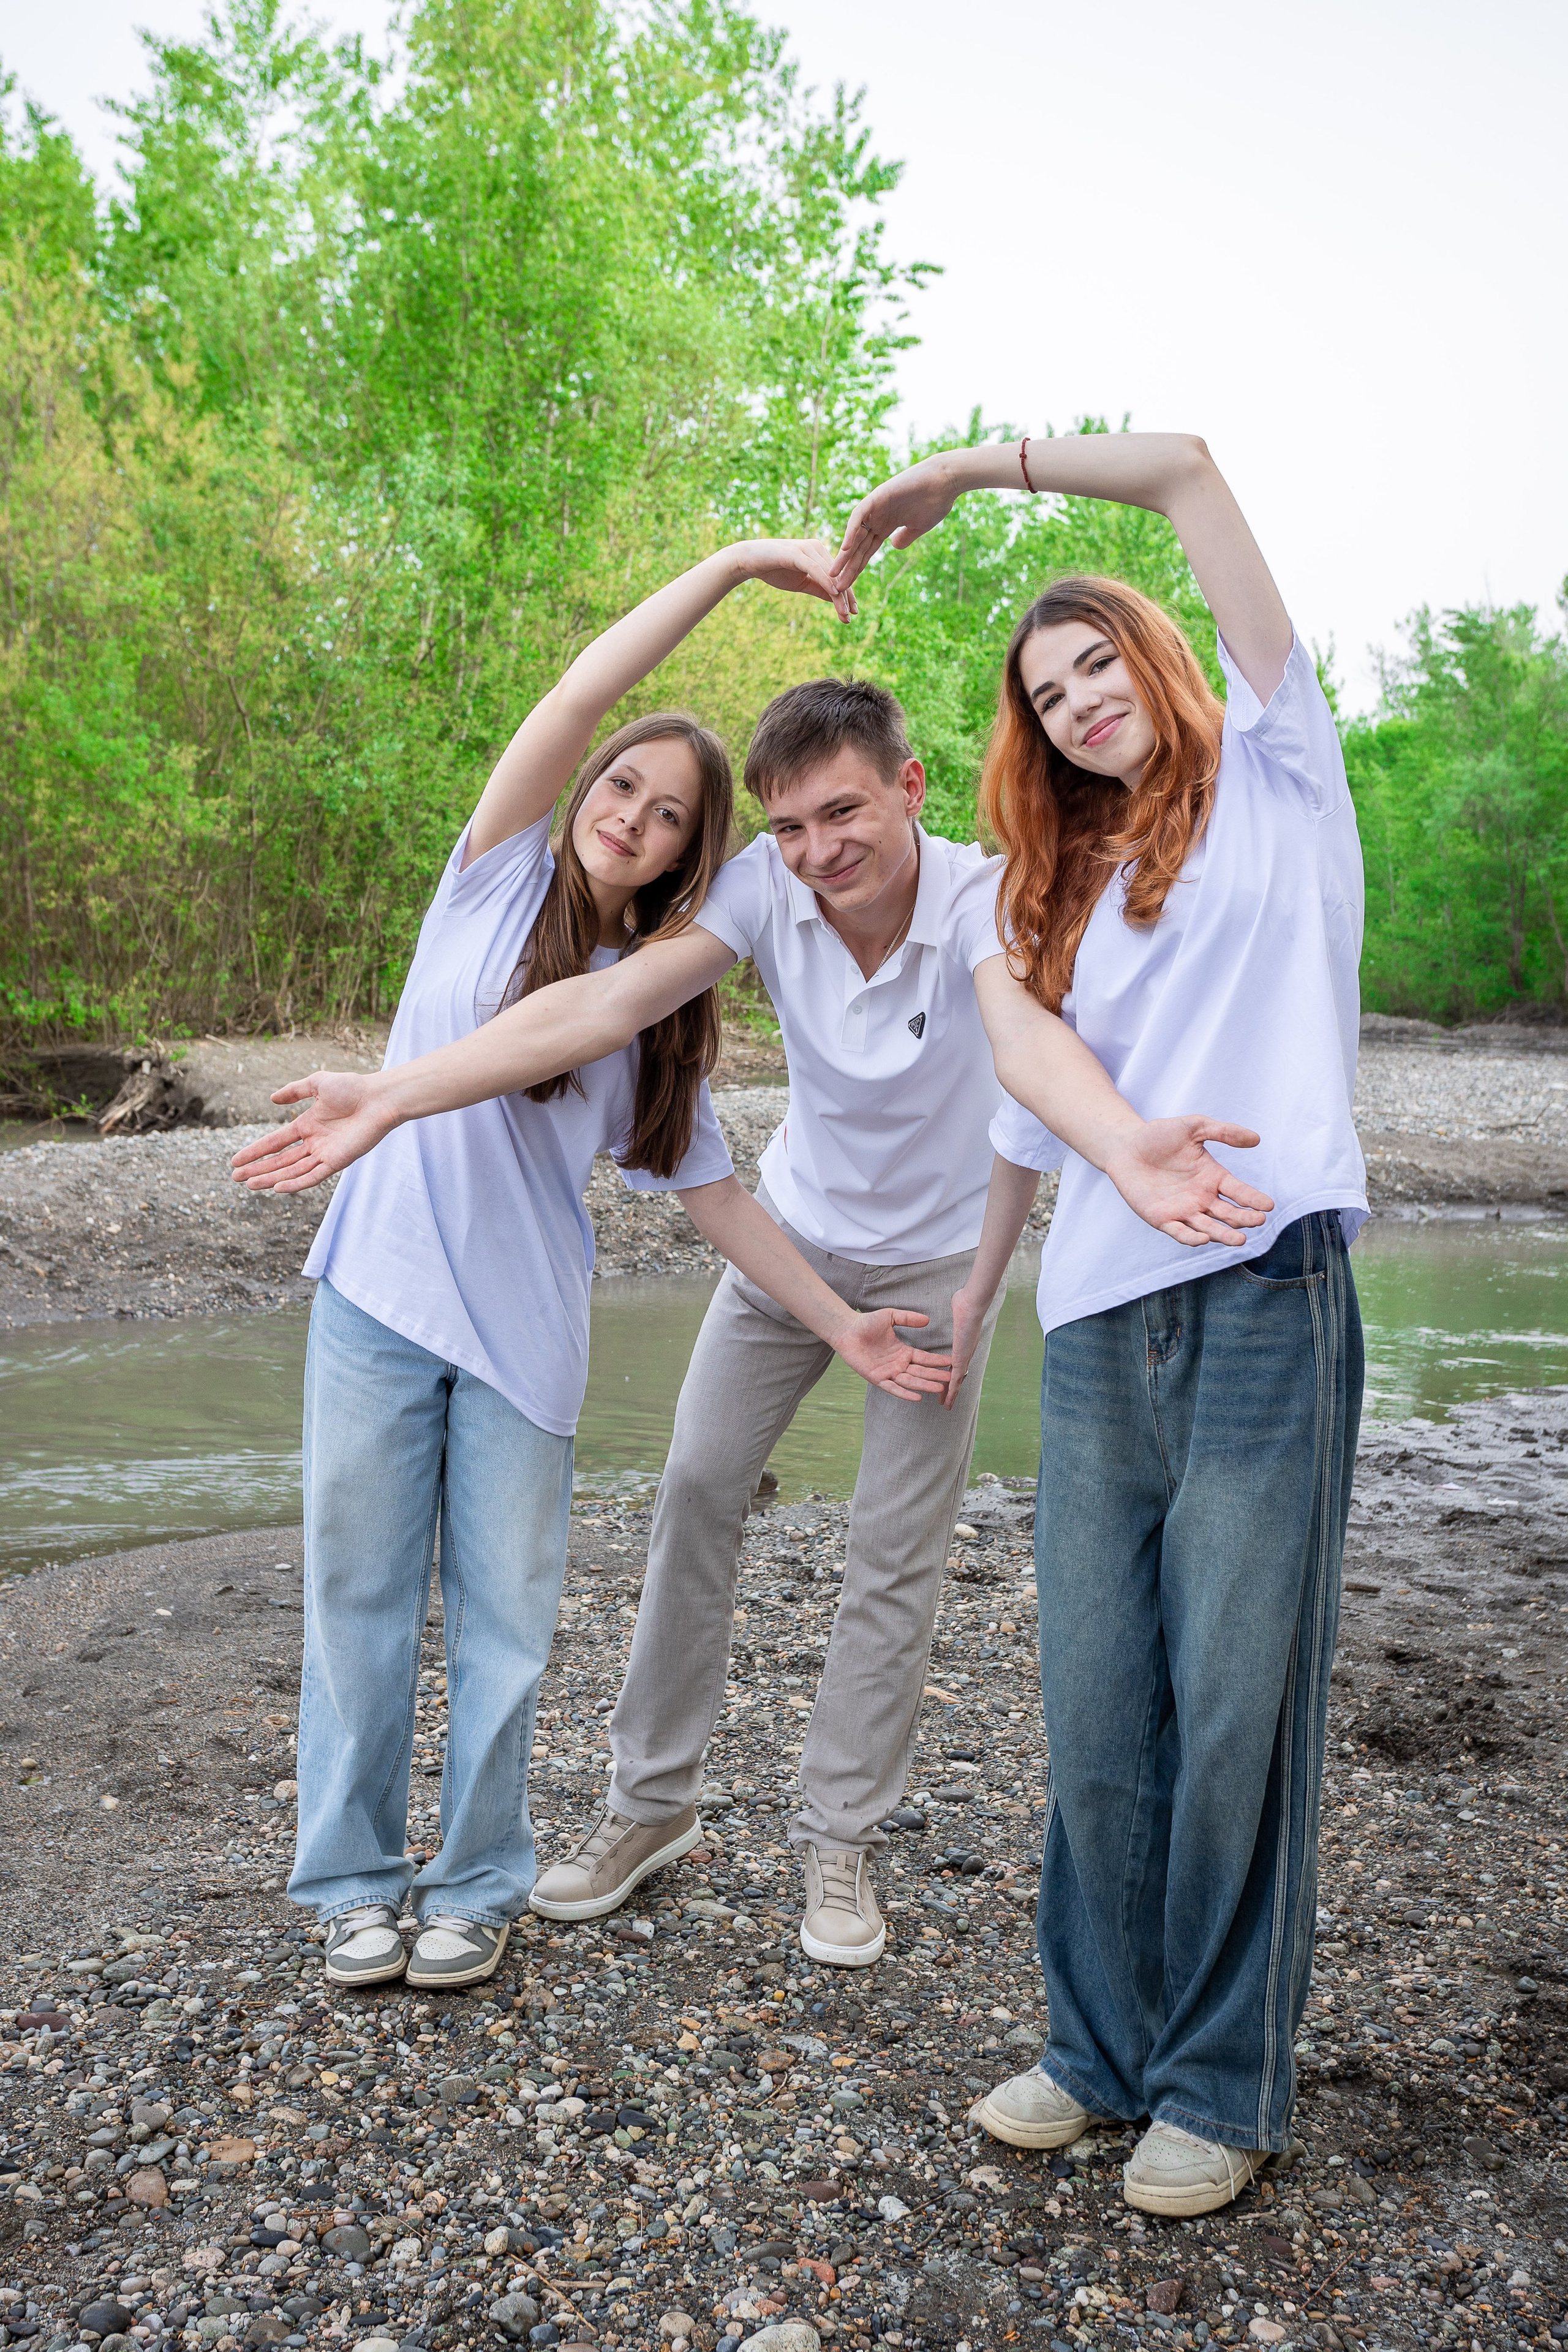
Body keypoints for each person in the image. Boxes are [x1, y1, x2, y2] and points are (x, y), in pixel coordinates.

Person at [235, 617, 1270, 1980]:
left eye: (840, 812)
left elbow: (1023, 1063)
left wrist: (986, 1277)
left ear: (906, 787)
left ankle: (836, 1839)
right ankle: (644, 1809)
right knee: (693, 1491)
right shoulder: (744, 892)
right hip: (790, 1246)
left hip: (933, 1270)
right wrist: (388, 1092)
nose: (816, 850)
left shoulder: (980, 896)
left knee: (892, 1555)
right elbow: (601, 1011)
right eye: (784, 825)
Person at [282, 536, 969, 1996]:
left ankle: (475, 1883)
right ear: (583, 795)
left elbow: (716, 1197)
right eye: (620, 790)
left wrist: (844, 1323)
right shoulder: (483, 882)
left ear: (682, 859)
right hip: (376, 1297)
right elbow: (590, 686)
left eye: (670, 820)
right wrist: (727, 570)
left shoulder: (653, 1009)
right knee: (356, 1597)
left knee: (507, 1626)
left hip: (526, 1334)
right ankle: (351, 1883)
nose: (634, 821)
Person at [833, 430, 1366, 2212]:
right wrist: (1115, 1152)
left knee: (1235, 1708)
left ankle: (1219, 2083)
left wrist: (979, 472)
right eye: (1045, 697)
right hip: (1100, 1325)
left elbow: (1200, 474)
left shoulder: (1288, 771)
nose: (1076, 708)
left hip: (1269, 1301)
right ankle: (1096, 2047)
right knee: (1097, 1704)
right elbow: (1025, 1053)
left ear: (1156, 657)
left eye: (1096, 669)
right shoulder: (1025, 879)